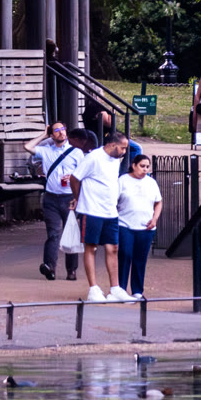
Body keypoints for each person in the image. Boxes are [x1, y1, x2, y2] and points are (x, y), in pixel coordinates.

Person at [68, 129, 129, 302]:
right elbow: (75, 178)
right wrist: (79, 198)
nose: (124, 152)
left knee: (113, 248)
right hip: (92, 209)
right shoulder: (93, 158)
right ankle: (93, 288)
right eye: (122, 148)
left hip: (110, 210)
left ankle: (115, 288)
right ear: (112, 145)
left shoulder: (115, 159)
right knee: (91, 247)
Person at [26, 121, 83, 281]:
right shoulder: (46, 151)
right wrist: (43, 135)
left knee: (70, 233)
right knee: (53, 234)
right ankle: (49, 267)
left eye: (63, 129)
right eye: (56, 130)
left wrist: (74, 185)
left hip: (69, 197)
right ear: (52, 135)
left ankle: (71, 270)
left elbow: (83, 175)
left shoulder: (76, 152)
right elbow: (27, 147)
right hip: (51, 198)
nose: (61, 132)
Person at [114, 153, 163, 300]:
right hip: (125, 224)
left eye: (147, 167)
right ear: (134, 165)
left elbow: (158, 202)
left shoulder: (151, 182)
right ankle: (121, 289)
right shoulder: (123, 180)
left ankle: (137, 290)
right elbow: (113, 201)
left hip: (146, 226)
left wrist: (155, 218)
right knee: (125, 254)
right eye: (142, 166)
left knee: (140, 259)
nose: (145, 169)